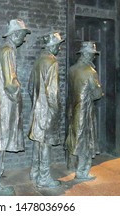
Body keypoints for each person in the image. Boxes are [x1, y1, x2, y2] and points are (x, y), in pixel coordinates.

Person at [0, 19, 31, 195]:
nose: (23, 40)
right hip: (3, 106)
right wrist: (19, 95)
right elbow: (11, 83)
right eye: (23, 36)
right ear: (15, 34)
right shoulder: (8, 51)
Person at [28, 32, 64, 188]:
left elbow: (30, 88)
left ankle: (34, 172)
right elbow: (52, 91)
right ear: (52, 46)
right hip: (47, 110)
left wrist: (36, 104)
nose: (59, 48)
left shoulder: (38, 62)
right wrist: (56, 111)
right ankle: (44, 177)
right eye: (58, 45)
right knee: (45, 144)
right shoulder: (51, 62)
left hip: (37, 110)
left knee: (38, 142)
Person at [65, 41, 103, 180]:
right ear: (86, 54)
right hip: (85, 110)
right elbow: (98, 93)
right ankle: (82, 171)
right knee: (85, 140)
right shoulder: (90, 71)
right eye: (92, 55)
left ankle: (71, 165)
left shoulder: (72, 69)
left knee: (73, 137)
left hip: (73, 109)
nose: (93, 57)